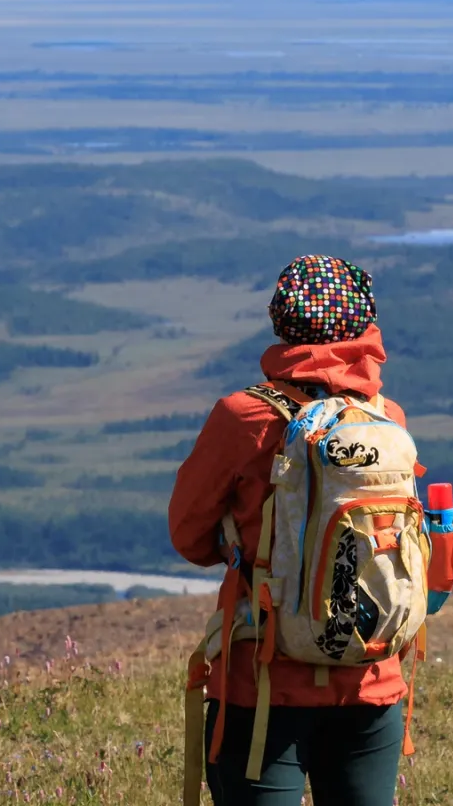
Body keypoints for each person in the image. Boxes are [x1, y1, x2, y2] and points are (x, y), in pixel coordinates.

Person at [169, 254, 408, 806]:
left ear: (282, 322)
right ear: (365, 326)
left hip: (263, 682)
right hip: (371, 678)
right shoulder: (387, 418)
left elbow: (188, 534)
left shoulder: (243, 417)